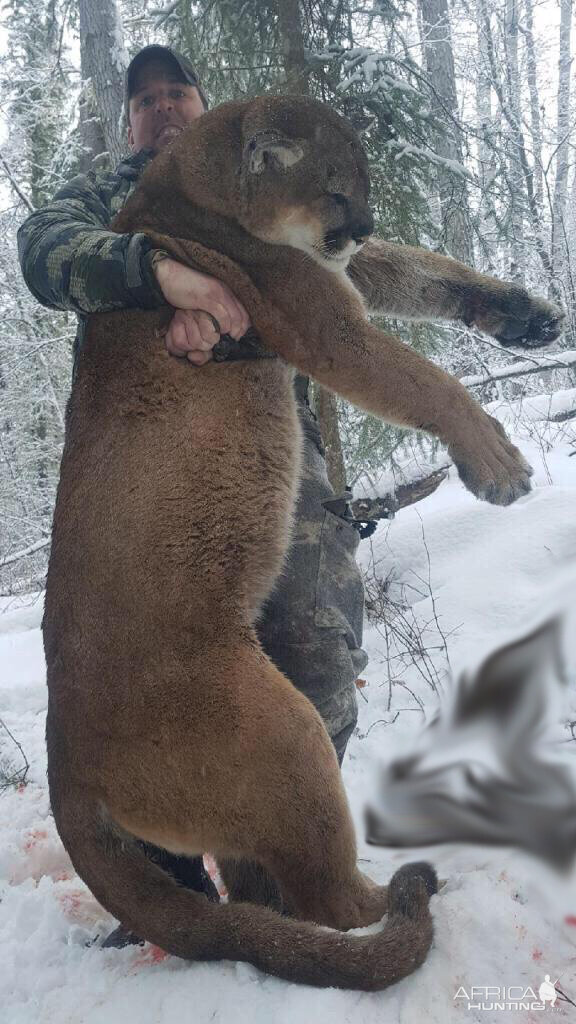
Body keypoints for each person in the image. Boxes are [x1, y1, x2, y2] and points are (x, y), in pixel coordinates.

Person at [17, 45, 368, 918]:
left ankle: (282, 858)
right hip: (147, 480)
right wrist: (156, 275)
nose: (162, 108)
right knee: (121, 673)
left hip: (267, 455)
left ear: (207, 104)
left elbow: (348, 256)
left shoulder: (251, 179)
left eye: (178, 92)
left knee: (317, 652)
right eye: (144, 101)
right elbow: (44, 251)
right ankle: (169, 892)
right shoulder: (108, 197)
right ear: (129, 122)